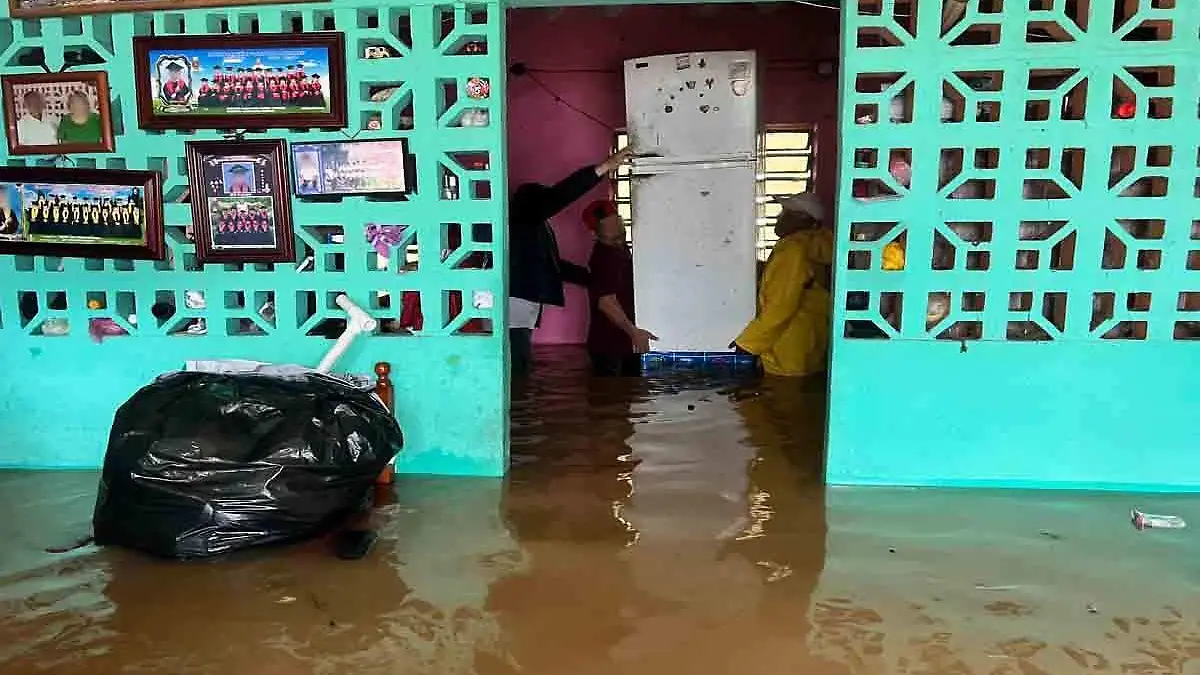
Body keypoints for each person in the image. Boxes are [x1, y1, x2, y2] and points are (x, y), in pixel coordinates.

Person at [508, 147, 636, 377]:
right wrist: (603, 168)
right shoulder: (525, 217)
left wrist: (591, 279)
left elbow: (553, 265)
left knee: (519, 363)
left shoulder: (534, 229)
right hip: (516, 304)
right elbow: (560, 196)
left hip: (523, 305)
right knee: (516, 366)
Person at [733, 193, 834, 377]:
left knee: (783, 399)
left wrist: (748, 343)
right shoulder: (819, 245)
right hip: (813, 338)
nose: (779, 217)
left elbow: (781, 306)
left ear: (802, 218)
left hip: (789, 349)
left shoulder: (792, 250)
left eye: (786, 212)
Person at [583, 199, 656, 376]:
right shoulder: (605, 257)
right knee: (612, 397)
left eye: (621, 235)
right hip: (610, 346)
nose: (619, 241)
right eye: (613, 238)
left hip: (622, 343)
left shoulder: (620, 249)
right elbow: (606, 302)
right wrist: (634, 332)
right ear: (595, 233)